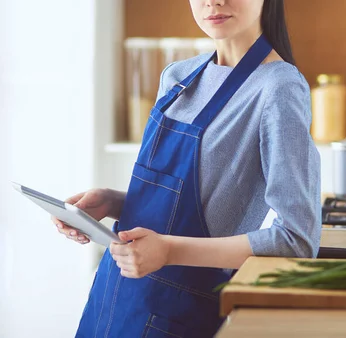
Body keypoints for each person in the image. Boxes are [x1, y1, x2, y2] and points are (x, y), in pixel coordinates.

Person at [52, 0, 321, 336]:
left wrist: (167, 250)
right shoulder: (178, 78)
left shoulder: (278, 87)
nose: (214, 1)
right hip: (115, 291)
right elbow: (187, 203)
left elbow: (296, 239)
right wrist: (114, 202)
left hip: (179, 310)